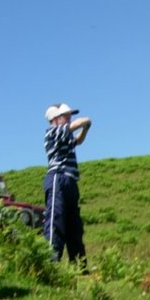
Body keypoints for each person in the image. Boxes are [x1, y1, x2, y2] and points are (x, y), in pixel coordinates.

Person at [43, 103, 92, 272]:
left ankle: (78, 265)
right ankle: (50, 263)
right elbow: (75, 125)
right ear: (55, 119)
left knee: (74, 224)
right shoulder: (53, 132)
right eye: (65, 115)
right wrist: (85, 121)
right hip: (58, 178)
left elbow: (78, 141)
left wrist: (85, 129)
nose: (69, 118)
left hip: (70, 181)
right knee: (56, 220)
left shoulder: (64, 135)